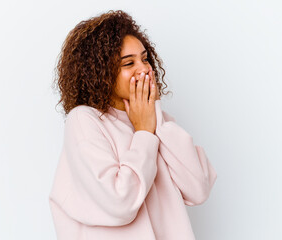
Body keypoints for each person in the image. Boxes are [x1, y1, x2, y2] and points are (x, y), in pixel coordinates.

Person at [49, 9, 217, 240]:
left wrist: (153, 114)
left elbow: (198, 189)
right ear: (101, 73)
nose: (145, 68)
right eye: (129, 63)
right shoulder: (85, 120)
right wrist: (145, 133)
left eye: (145, 58)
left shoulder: (159, 121)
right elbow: (120, 203)